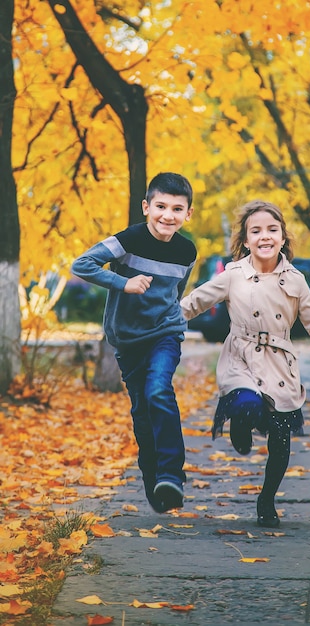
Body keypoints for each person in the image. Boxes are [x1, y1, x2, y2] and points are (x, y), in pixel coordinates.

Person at [181, 200, 310, 528]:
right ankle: (240, 423)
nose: (265, 236)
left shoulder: (297, 280)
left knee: (281, 439)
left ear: (283, 237)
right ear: (246, 240)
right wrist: (161, 320)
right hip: (241, 357)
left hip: (280, 364)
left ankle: (267, 499)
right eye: (255, 231)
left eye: (272, 230)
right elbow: (194, 302)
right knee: (246, 404)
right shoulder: (233, 276)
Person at [71, 172, 196, 513]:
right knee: (142, 413)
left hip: (165, 333)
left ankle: (172, 474)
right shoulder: (127, 241)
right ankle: (155, 482)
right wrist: (121, 282)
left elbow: (175, 292)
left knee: (158, 390)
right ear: (146, 207)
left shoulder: (187, 250)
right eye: (160, 206)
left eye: (176, 208)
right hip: (127, 340)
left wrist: (172, 317)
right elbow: (81, 264)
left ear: (188, 214)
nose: (167, 215)